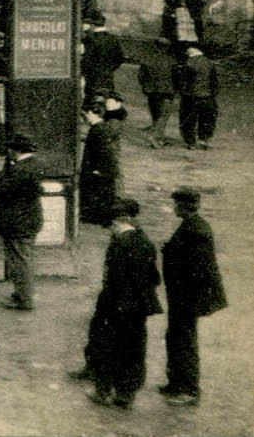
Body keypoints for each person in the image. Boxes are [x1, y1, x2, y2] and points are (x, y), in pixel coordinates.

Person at [81, 197, 162, 409]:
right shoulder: (145, 241)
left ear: (117, 223)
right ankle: (126, 395)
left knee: (108, 348)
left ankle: (103, 391)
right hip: (138, 308)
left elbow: (114, 280)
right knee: (134, 350)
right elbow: (154, 277)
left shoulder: (120, 244)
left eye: (110, 227)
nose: (110, 231)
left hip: (116, 306)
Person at [159, 187, 227, 407]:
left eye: (176, 204)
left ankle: (189, 390)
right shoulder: (191, 226)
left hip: (188, 298)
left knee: (185, 341)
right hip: (181, 296)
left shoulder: (197, 230)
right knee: (175, 338)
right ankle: (175, 383)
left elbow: (197, 269)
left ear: (184, 206)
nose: (174, 208)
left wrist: (170, 255)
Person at [0, 134, 43, 311]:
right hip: (28, 220)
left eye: (10, 149)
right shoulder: (33, 165)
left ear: (16, 150)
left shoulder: (20, 170)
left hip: (18, 223)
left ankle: (24, 298)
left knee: (20, 261)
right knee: (23, 259)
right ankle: (22, 293)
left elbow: (1, 189)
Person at [78, 101, 121, 227]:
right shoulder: (101, 127)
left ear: (92, 113)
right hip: (102, 168)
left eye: (86, 114)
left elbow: (105, 151)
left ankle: (101, 218)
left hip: (101, 169)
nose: (86, 118)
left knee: (101, 194)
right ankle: (98, 217)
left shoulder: (99, 129)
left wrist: (100, 169)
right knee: (101, 193)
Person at [177, 45, 219, 150]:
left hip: (191, 96)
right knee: (207, 119)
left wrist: (183, 92)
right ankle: (204, 140)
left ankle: (190, 142)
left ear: (192, 50)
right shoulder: (209, 63)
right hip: (207, 96)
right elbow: (214, 82)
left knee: (188, 119)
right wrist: (212, 93)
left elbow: (183, 81)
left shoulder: (188, 63)